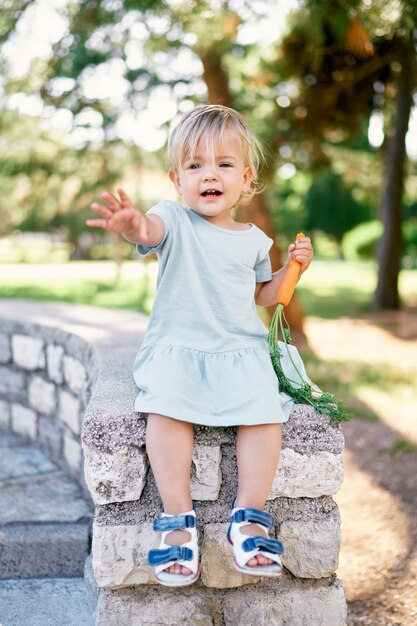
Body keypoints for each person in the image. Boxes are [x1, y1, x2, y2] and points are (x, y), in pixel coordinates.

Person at [87, 104, 313, 587]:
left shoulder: (255, 239)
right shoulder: (172, 219)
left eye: (224, 164)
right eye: (195, 165)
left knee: (264, 414)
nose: (209, 174)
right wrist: (131, 225)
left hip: (239, 349)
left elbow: (265, 297)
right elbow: (148, 232)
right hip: (179, 348)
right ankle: (178, 521)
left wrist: (292, 269)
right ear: (176, 180)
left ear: (246, 177)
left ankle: (248, 517)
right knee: (166, 409)